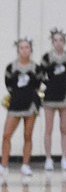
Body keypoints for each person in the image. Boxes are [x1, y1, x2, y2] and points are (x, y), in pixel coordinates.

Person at [2, 38, 42, 181]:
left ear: (31, 50)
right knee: (6, 135)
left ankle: (25, 165)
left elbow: (37, 85)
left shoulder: (36, 68)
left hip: (30, 104)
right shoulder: (10, 68)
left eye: (27, 47)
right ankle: (4, 165)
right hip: (15, 103)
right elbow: (9, 85)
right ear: (18, 50)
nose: (24, 50)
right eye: (21, 47)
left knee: (27, 135)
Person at [41, 28, 66, 171]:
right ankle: (48, 158)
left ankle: (64, 158)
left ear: (65, 42)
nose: (58, 43)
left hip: (64, 96)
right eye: (55, 40)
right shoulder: (46, 58)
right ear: (52, 42)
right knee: (48, 128)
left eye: (61, 40)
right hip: (50, 96)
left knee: (64, 128)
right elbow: (43, 75)